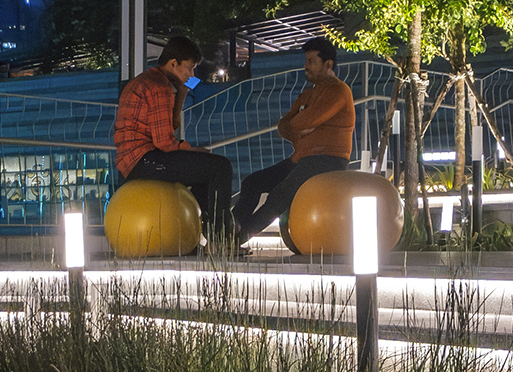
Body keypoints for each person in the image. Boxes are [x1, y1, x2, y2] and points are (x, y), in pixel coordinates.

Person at [234, 36, 356, 243]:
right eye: (306, 61)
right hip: (301, 159)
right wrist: (300, 130)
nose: (306, 66)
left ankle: (235, 240)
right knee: (252, 183)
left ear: (328, 64)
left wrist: (301, 124)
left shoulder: (338, 90)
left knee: (280, 195)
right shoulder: (307, 94)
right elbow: (284, 125)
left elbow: (304, 120)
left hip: (328, 160)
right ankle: (229, 231)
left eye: (311, 61)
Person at [113, 34, 232, 243]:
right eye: (190, 68)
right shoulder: (159, 87)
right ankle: (222, 240)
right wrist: (194, 150)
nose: (192, 74)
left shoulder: (147, 80)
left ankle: (208, 236)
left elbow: (170, 125)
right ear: (173, 63)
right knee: (220, 167)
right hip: (145, 159)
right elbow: (165, 143)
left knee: (204, 171)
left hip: (133, 161)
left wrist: (183, 91)